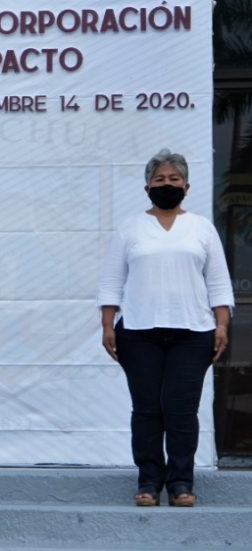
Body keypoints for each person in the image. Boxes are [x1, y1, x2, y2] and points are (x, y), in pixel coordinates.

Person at [98, 148, 233, 508]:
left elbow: (218, 282)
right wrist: (108, 325)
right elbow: (112, 282)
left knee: (180, 408)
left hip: (194, 331)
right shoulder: (130, 229)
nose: (167, 185)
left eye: (174, 179)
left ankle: (180, 482)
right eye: (160, 179)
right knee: (146, 408)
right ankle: (148, 480)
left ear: (187, 186)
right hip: (139, 331)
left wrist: (221, 324)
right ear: (147, 188)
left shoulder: (202, 228)